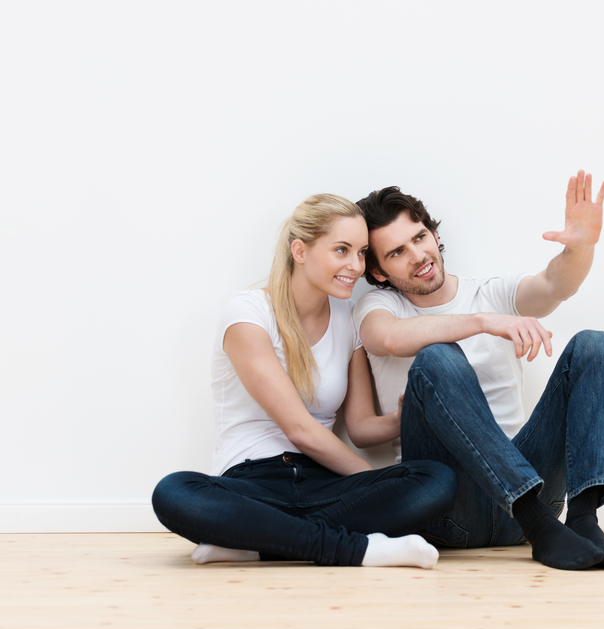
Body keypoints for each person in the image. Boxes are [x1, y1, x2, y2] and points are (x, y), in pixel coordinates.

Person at [152, 194, 457, 568]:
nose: (354, 266)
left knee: (436, 479)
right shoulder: (248, 313)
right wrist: (377, 483)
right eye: (341, 250)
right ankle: (358, 550)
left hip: (322, 484)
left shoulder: (349, 318)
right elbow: (299, 429)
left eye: (361, 252)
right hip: (251, 483)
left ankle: (254, 542)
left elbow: (360, 426)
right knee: (175, 492)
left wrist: (403, 421)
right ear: (299, 250)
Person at [353, 171, 604, 571]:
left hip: (534, 496)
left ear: (432, 234)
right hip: (447, 510)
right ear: (379, 272)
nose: (417, 255)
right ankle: (537, 523)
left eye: (419, 238)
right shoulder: (377, 307)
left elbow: (555, 285)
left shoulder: (491, 291)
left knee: (598, 345)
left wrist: (580, 249)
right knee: (438, 359)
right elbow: (390, 339)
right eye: (397, 252)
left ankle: (584, 520)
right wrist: (484, 322)